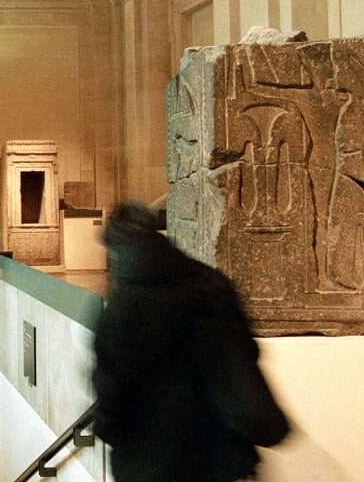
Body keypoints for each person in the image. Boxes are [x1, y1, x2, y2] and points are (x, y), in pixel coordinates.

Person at [92, 202, 288, 482]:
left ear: (115, 250)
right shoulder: (211, 284)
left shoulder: (120, 308)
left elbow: (111, 393)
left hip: (149, 467)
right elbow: (244, 359)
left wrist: (108, 428)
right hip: (221, 463)